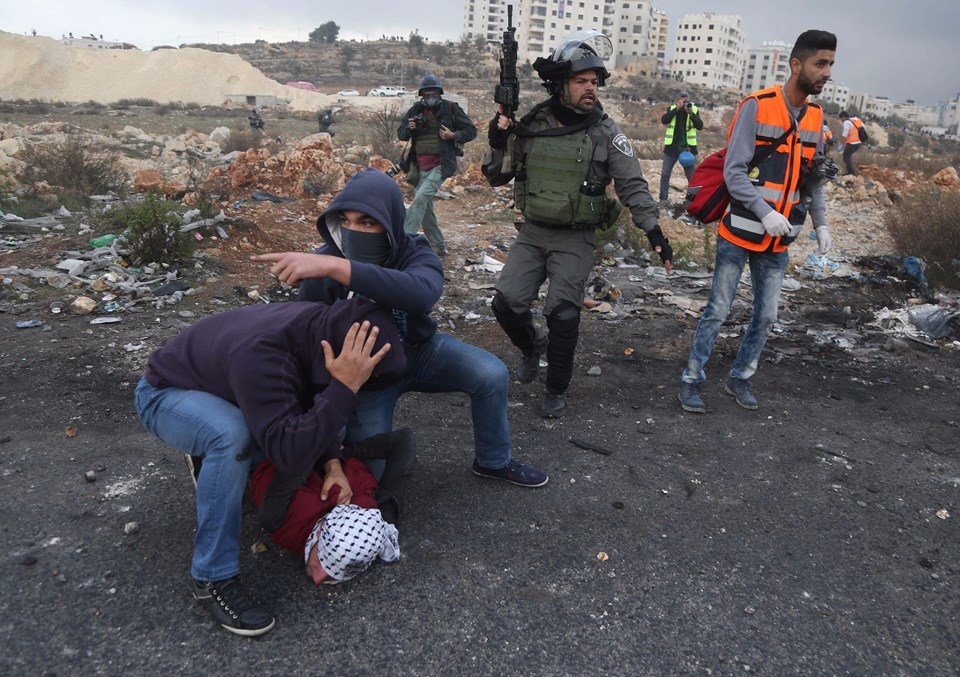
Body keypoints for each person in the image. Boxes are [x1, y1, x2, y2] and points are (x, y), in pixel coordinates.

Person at [251, 168, 548, 488]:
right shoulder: (323, 265)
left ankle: (494, 460)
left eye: (367, 222)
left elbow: (422, 292)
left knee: (490, 373)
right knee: (373, 476)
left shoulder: (410, 250)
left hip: (419, 352)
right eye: (346, 221)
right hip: (367, 379)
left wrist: (342, 268)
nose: (353, 230)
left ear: (389, 221)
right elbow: (309, 346)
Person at [134, 296, 407, 636]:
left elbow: (309, 401)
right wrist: (345, 387)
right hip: (166, 394)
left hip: (224, 388)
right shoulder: (264, 357)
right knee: (231, 437)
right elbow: (289, 456)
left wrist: (333, 464)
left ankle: (215, 468)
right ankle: (212, 577)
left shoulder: (319, 331)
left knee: (320, 415)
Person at [483, 30, 672, 418]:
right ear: (560, 85)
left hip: (576, 236)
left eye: (594, 82)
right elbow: (495, 175)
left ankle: (556, 388)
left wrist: (653, 231)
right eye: (581, 81)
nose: (591, 89)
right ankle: (533, 347)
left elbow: (633, 184)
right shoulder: (533, 123)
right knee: (506, 303)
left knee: (563, 313)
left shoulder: (606, 131)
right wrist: (497, 137)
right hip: (533, 232)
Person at [678, 29, 837, 414]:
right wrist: (766, 213)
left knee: (766, 316)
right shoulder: (757, 105)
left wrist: (821, 224)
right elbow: (734, 172)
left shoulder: (816, 117)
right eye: (820, 63)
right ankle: (692, 380)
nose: (826, 72)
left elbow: (811, 178)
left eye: (831, 64)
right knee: (718, 309)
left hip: (779, 241)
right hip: (740, 231)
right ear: (796, 64)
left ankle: (740, 377)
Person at [250, 428, 417, 585]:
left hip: (286, 451)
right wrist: (339, 459)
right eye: (323, 560)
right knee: (338, 426)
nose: (317, 579)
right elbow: (404, 440)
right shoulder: (381, 518)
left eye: (333, 575)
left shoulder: (278, 516)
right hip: (300, 434)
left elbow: (304, 441)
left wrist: (333, 459)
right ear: (322, 529)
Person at [397, 74, 477, 256]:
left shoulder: (451, 109)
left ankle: (404, 243)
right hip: (419, 166)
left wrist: (453, 136)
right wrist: (409, 128)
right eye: (426, 95)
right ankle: (438, 245)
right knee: (425, 207)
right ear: (421, 96)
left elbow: (471, 131)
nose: (429, 98)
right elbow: (401, 135)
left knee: (419, 199)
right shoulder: (415, 111)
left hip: (441, 164)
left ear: (439, 94)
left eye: (433, 94)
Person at [658, 90, 704, 206]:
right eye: (682, 99)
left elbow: (699, 126)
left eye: (686, 99)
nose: (684, 102)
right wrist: (676, 109)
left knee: (691, 177)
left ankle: (691, 201)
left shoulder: (693, 109)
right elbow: (664, 120)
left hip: (687, 148)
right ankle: (663, 199)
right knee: (665, 174)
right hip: (671, 148)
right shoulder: (673, 108)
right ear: (677, 100)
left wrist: (691, 114)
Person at [838, 111, 864, 176]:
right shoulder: (857, 120)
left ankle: (851, 172)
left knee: (846, 156)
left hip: (852, 143)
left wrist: (842, 144)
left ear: (843, 117)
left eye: (841, 119)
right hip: (859, 143)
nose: (841, 121)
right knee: (848, 156)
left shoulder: (846, 122)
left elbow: (845, 134)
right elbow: (864, 128)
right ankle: (851, 171)